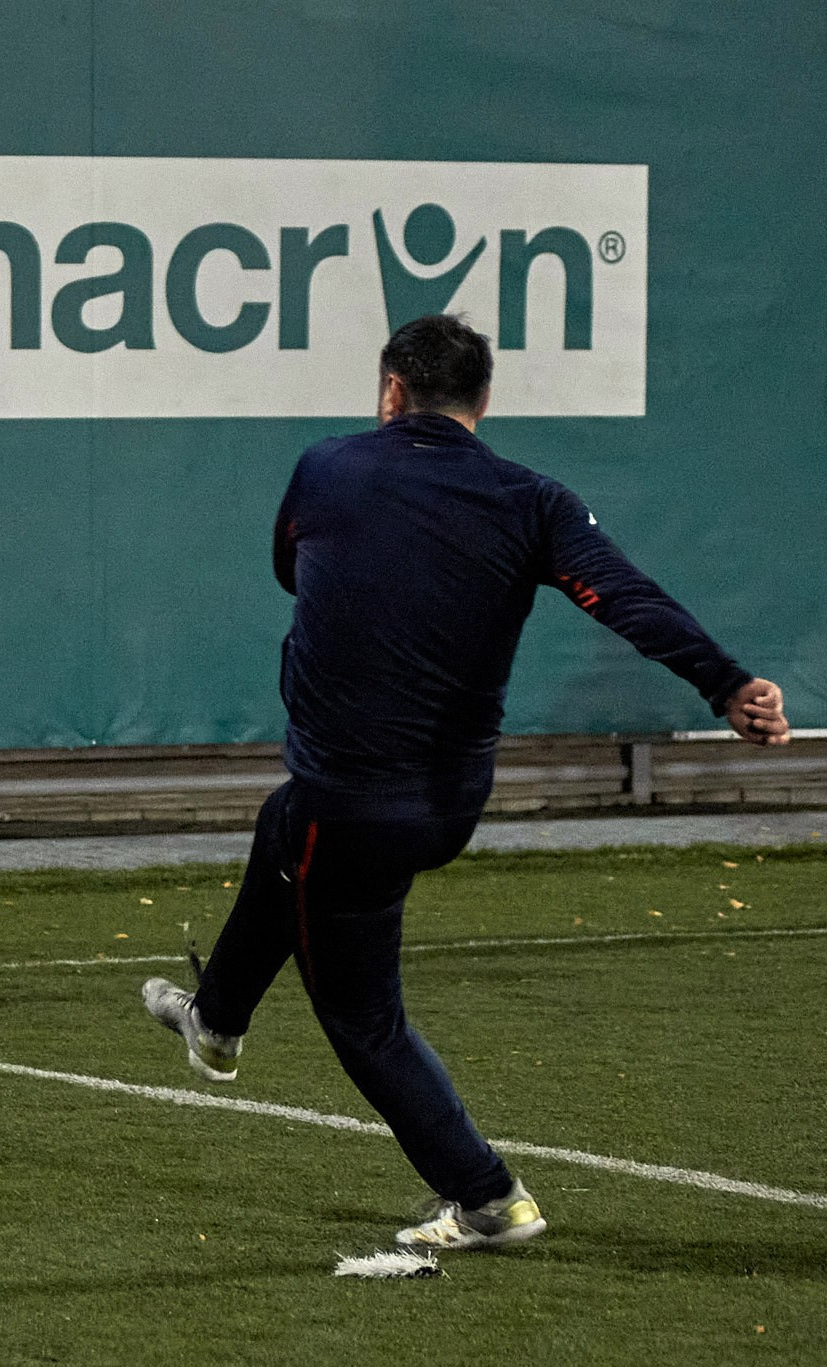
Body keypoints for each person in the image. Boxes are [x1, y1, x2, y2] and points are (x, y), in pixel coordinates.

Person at [140, 314, 790, 1252]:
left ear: (391, 391)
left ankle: (486, 1195)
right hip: (449, 804)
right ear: (483, 403)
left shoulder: (326, 469)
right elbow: (630, 597)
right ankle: (218, 1022)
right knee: (282, 821)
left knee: (362, 1015)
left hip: (354, 807)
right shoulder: (534, 500)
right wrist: (727, 683)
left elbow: (290, 569)